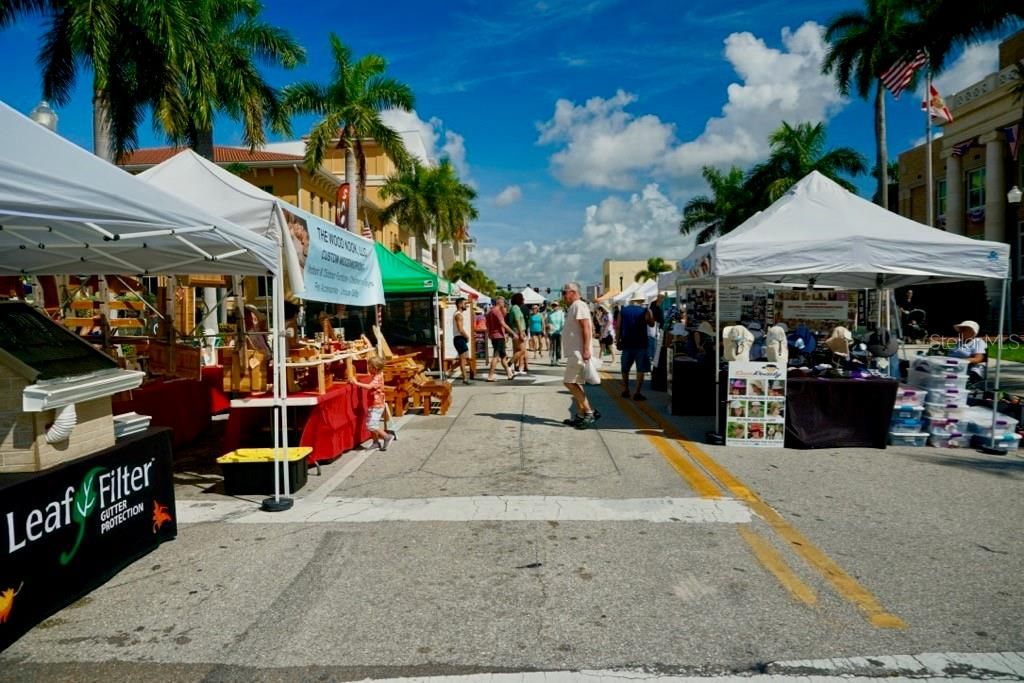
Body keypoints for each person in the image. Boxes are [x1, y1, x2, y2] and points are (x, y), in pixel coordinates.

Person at [561, 282, 600, 429]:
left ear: (572, 292)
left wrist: (586, 349)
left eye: (564, 293)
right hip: (575, 352)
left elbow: (586, 327)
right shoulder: (575, 306)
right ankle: (582, 414)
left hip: (578, 353)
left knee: (569, 382)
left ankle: (589, 412)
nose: (563, 296)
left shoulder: (579, 305)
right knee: (576, 383)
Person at [348, 356, 395, 451]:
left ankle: (386, 436)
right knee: (373, 422)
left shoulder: (378, 377)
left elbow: (369, 386)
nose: (368, 368)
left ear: (375, 368)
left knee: (372, 425)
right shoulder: (377, 374)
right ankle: (375, 442)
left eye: (370, 367)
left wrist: (356, 383)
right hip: (373, 403)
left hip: (377, 404)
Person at [616, 292, 654, 401]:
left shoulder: (623, 311)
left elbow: (618, 327)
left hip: (627, 343)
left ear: (632, 300)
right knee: (640, 369)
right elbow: (651, 324)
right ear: (642, 300)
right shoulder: (645, 311)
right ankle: (637, 392)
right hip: (641, 344)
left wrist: (617, 340)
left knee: (625, 368)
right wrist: (650, 313)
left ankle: (626, 390)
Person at [486, 296, 517, 381]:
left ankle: (509, 374)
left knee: (503, 356)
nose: (504, 304)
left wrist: (489, 333)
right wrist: (513, 333)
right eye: (503, 302)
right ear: (499, 302)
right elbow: (503, 324)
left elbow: (487, 324)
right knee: (496, 356)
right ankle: (490, 376)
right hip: (499, 336)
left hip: (494, 336)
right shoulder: (497, 311)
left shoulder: (490, 312)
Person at [950, 320, 987, 384]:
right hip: (953, 367)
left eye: (964, 330)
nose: (960, 332)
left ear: (972, 332)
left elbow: (978, 358)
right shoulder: (960, 342)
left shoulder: (978, 342)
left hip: (966, 371)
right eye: (960, 330)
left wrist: (960, 361)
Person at [452, 298, 473, 385]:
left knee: (465, 358)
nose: (466, 305)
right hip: (459, 338)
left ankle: (452, 369)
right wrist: (467, 336)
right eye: (464, 304)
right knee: (463, 359)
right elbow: (460, 329)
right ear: (460, 305)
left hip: (460, 338)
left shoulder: (458, 314)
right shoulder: (458, 315)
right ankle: (465, 378)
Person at [508, 292, 529, 376]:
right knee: (522, 350)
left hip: (516, 331)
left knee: (517, 350)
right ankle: (509, 364)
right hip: (518, 331)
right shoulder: (516, 308)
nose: (523, 300)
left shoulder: (514, 308)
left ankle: (515, 368)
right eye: (522, 298)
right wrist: (521, 332)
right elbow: (517, 320)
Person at [547, 301, 565, 365]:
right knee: (552, 346)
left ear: (558, 306)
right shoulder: (549, 313)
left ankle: (557, 359)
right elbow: (548, 322)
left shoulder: (561, 313)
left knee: (558, 346)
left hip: (559, 332)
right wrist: (548, 328)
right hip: (552, 332)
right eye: (553, 305)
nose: (554, 307)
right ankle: (552, 359)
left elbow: (563, 322)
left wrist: (562, 329)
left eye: (556, 305)